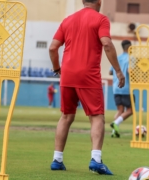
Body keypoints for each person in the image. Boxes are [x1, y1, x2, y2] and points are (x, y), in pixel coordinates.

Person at [48, 0, 125, 175]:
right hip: (88, 75)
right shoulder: (101, 19)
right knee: (97, 116)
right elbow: (106, 44)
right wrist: (118, 72)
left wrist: (57, 69)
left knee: (66, 116)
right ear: (99, 1)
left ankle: (57, 159)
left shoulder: (67, 20)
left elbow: (53, 48)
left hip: (67, 74)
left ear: (83, 1)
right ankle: (96, 160)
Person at [109, 40, 134, 138]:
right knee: (131, 110)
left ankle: (113, 131)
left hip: (115, 88)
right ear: (129, 47)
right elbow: (129, 70)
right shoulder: (131, 58)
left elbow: (110, 72)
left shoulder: (117, 58)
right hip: (125, 88)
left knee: (120, 110)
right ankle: (116, 122)